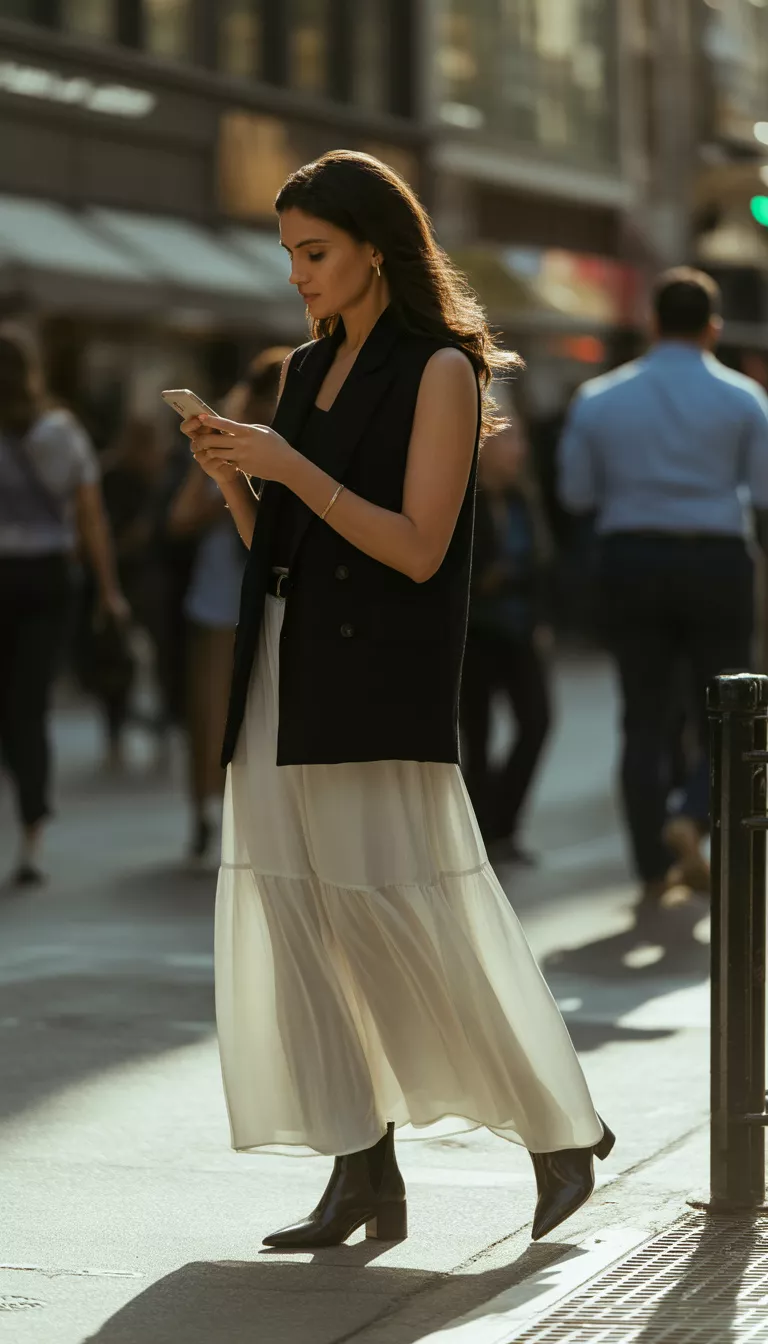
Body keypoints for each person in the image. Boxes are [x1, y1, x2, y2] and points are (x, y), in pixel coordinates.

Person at [181, 151, 611, 1249]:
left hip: (377, 675)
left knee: (407, 910)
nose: (297, 276)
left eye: (313, 253)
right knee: (301, 919)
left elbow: (418, 550)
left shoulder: (443, 372)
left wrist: (291, 467)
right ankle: (360, 1170)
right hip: (284, 661)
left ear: (377, 246)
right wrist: (237, 476)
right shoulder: (303, 368)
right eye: (288, 256)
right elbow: (282, 549)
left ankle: (559, 1132)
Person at [558, 268, 768, 907]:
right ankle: (694, 813)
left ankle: (651, 867)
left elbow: (576, 492)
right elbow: (761, 492)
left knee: (643, 716)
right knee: (728, 713)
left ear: (651, 322)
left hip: (631, 557)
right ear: (714, 326)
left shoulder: (598, 398)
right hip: (717, 559)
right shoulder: (744, 399)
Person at [0, 326, 127, 888]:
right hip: (50, 577)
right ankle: (31, 836)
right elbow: (92, 518)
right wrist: (108, 589)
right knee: (30, 707)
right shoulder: (61, 431)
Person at [168, 348, 291, 863]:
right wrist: (231, 487)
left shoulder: (299, 440)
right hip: (222, 600)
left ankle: (255, 817)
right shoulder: (232, 434)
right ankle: (206, 811)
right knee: (213, 710)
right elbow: (180, 519)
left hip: (278, 599)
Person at [460, 409, 553, 863]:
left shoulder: (522, 500)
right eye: (509, 440)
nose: (519, 450)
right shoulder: (463, 499)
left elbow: (543, 564)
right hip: (474, 633)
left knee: (536, 722)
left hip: (519, 630)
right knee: (474, 736)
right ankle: (484, 833)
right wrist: (484, 580)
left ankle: (503, 822)